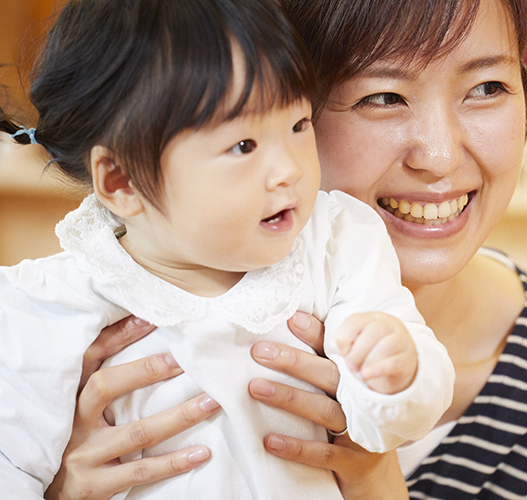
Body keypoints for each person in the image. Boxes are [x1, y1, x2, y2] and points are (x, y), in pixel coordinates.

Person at [44, 0, 527, 499]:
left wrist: (372, 482)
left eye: (489, 86)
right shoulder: (107, 318)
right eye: (382, 97)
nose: (439, 156)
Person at [0, 0, 457, 499]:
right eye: (243, 146)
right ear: (122, 180)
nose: (290, 169)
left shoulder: (337, 245)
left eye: (299, 125)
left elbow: (390, 426)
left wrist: (398, 373)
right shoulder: (48, 306)